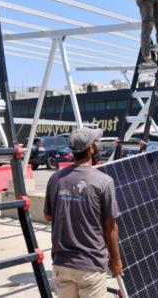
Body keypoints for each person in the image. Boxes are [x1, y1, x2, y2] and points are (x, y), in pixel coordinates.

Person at [44, 127, 123, 298]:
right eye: (97, 142)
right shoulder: (104, 181)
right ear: (92, 148)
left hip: (62, 264)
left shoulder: (55, 179)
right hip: (90, 266)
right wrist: (116, 261)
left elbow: (48, 216)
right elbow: (110, 227)